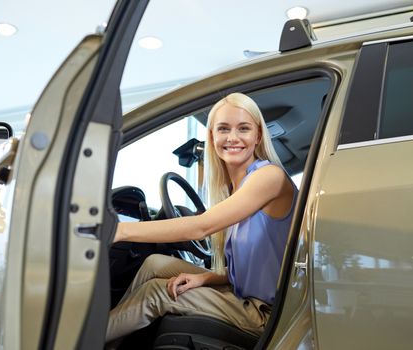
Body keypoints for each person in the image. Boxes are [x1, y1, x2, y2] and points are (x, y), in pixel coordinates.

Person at [106, 92, 298, 343]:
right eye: (223, 129)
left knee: (157, 293)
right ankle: (114, 342)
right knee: (154, 263)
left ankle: (77, 342)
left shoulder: (268, 176)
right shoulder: (234, 188)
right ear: (212, 136)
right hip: (243, 292)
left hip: (266, 313)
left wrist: (119, 231)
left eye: (243, 128)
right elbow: (250, 270)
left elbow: (200, 227)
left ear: (258, 135)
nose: (233, 137)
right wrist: (204, 277)